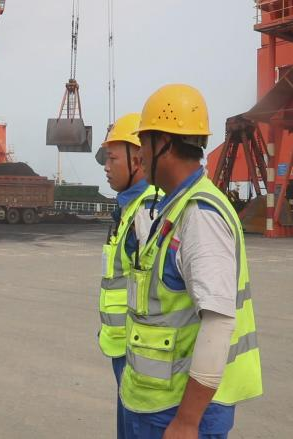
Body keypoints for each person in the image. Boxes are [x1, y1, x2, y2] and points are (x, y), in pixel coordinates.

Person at [121, 85, 263, 438]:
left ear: (164, 143)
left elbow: (218, 323)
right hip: (155, 404)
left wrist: (187, 420)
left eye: (144, 142)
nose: (139, 155)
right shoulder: (175, 206)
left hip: (181, 413)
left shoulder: (200, 215)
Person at [95, 113, 156, 439]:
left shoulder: (149, 211)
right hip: (125, 347)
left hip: (143, 354)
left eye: (112, 158)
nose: (106, 166)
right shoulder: (129, 207)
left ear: (138, 159)